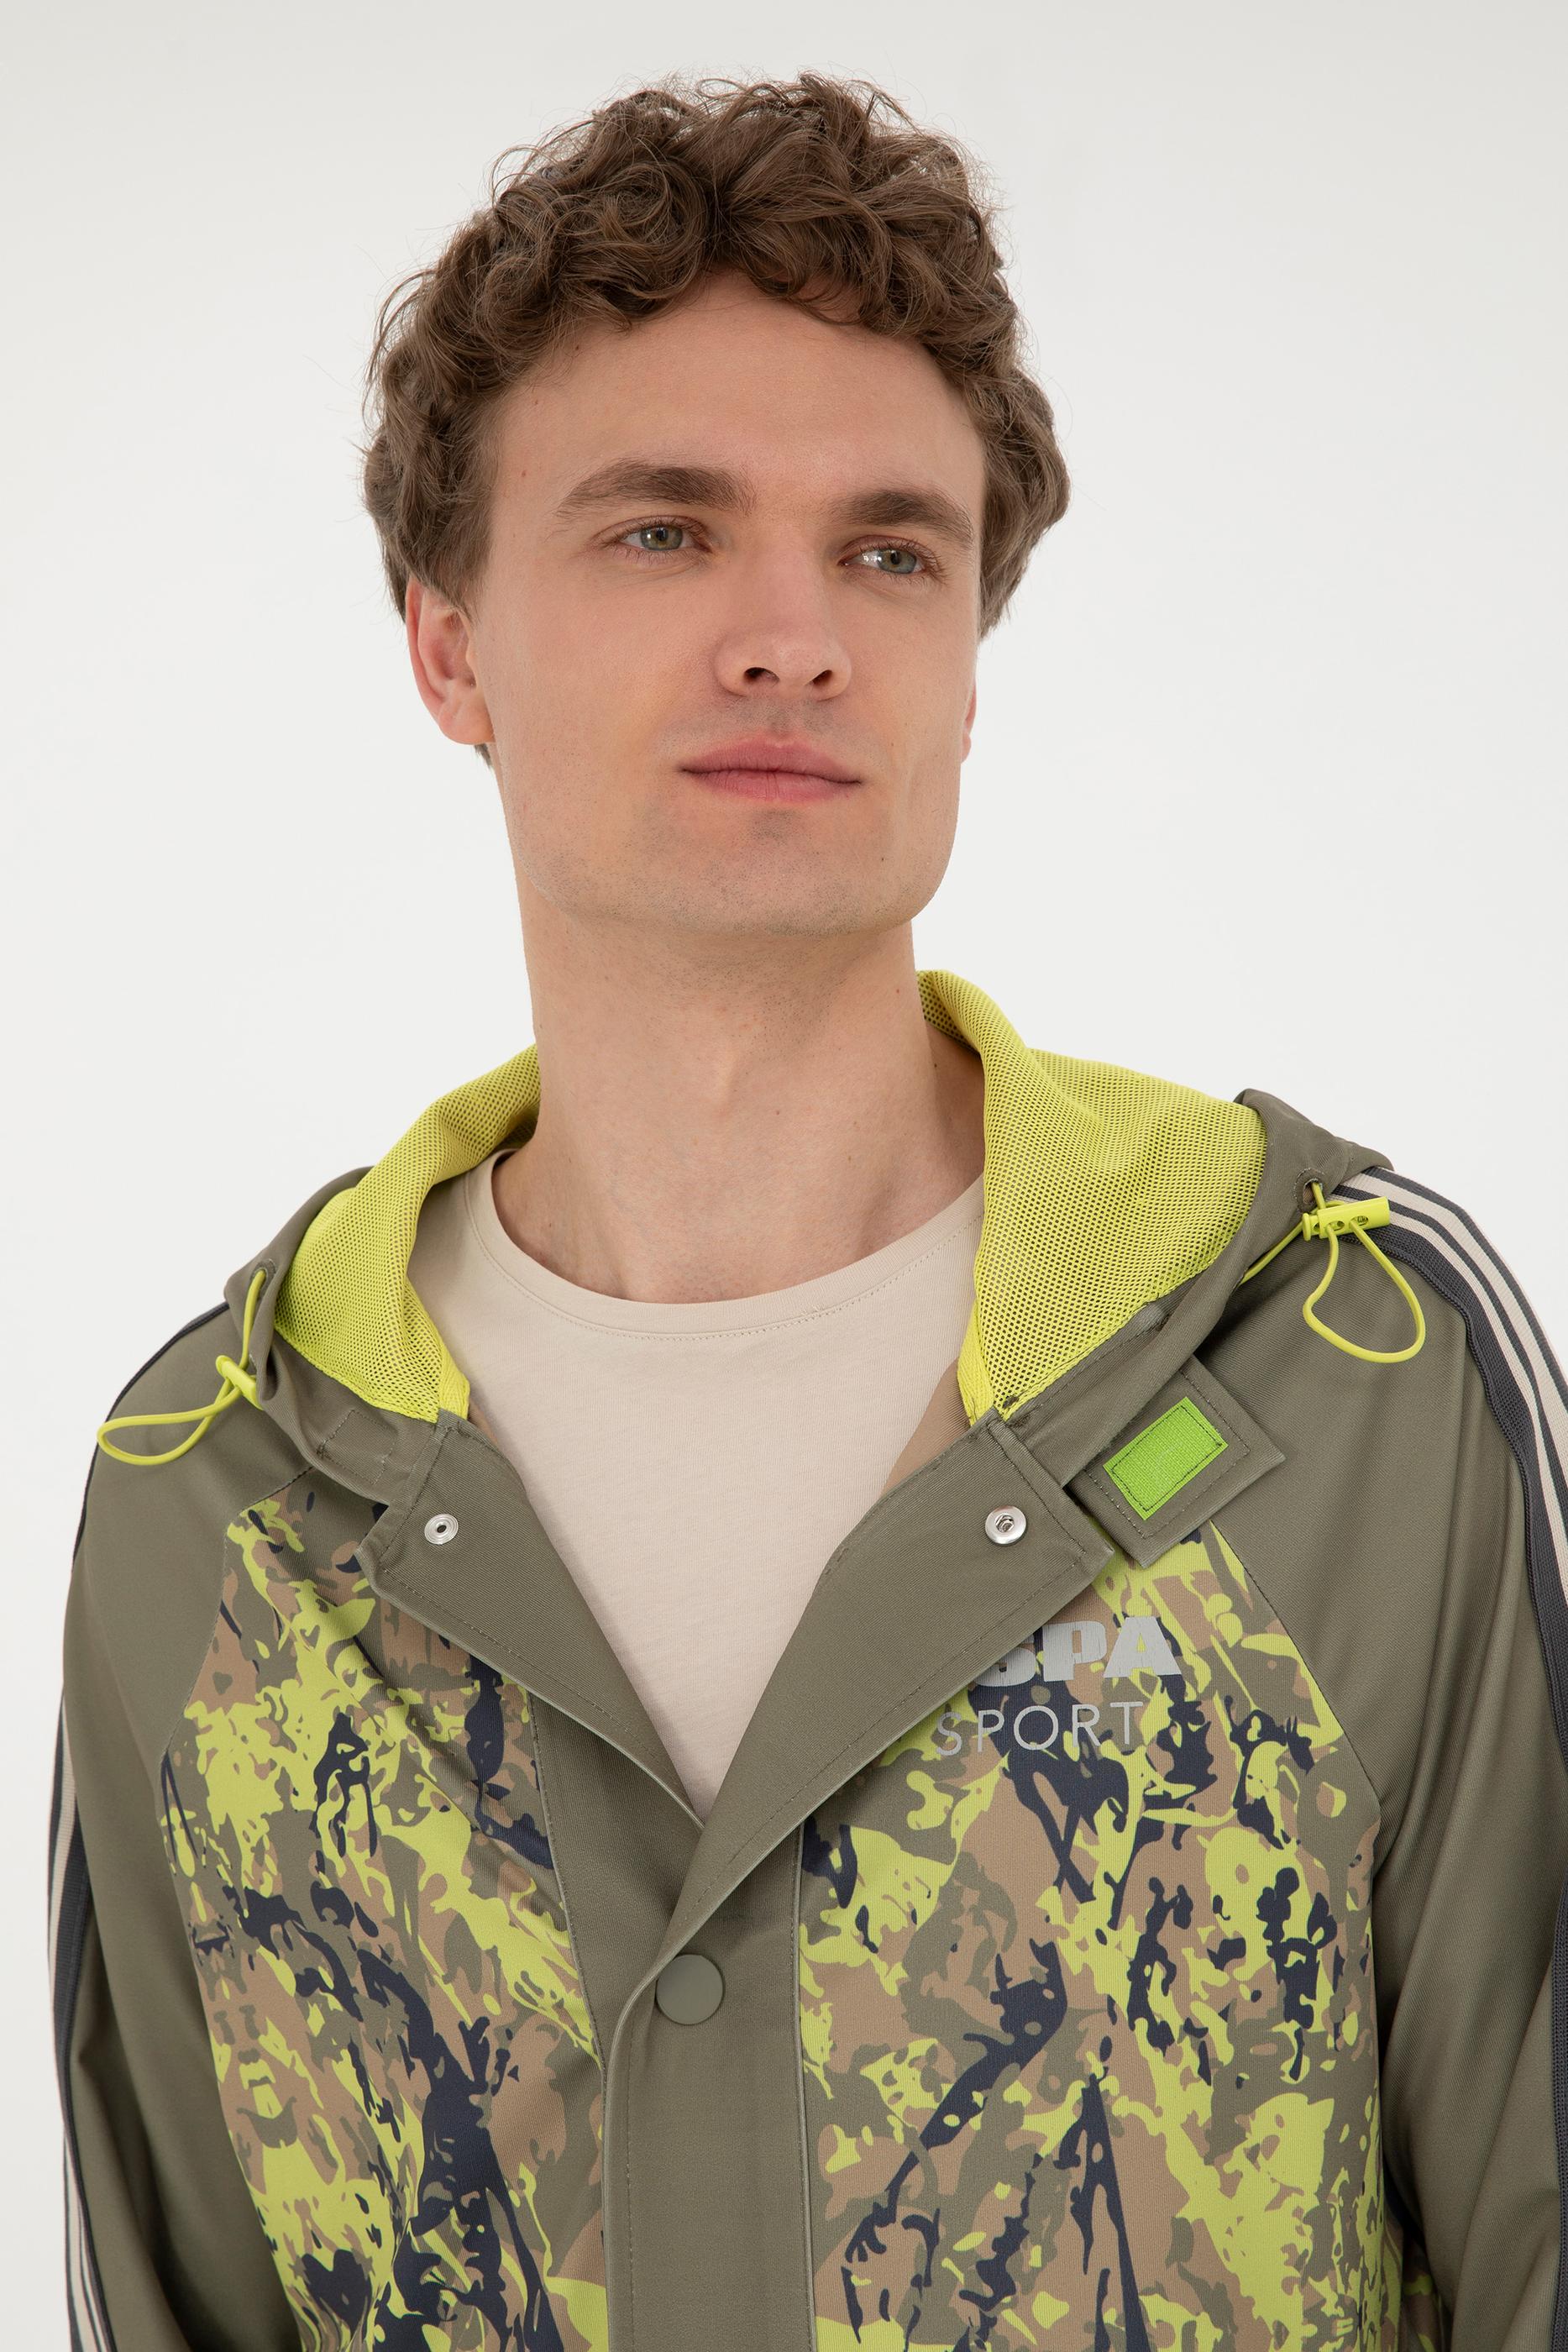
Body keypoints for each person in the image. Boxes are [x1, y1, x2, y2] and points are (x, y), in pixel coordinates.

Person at [49, 69, 1566, 2352]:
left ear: (968, 652)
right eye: (663, 533)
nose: (794, 637)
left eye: (886, 550)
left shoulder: (1340, 1369)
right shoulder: (221, 1493)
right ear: (446, 644)